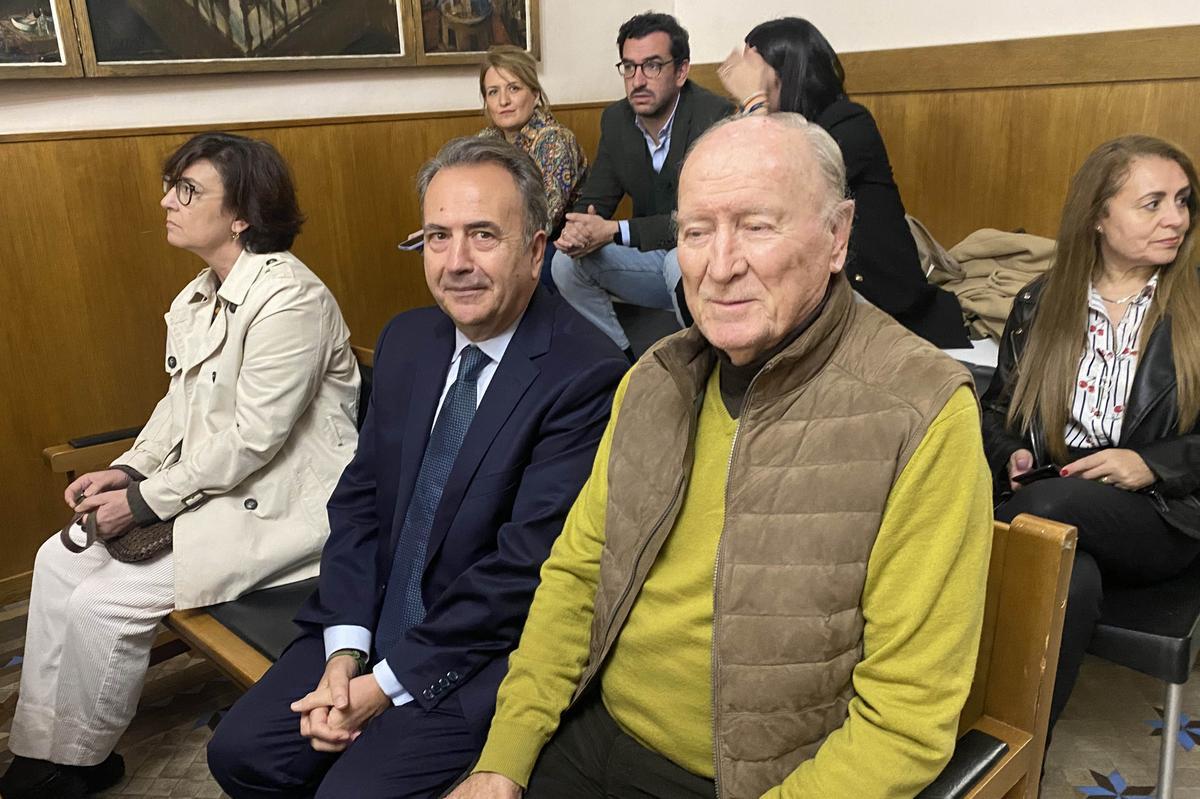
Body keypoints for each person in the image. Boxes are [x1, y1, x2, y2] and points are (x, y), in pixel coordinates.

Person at [449, 113, 992, 799]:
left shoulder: (920, 410)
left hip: (753, 782)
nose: (721, 265)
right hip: (589, 731)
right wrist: (504, 755)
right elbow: (577, 577)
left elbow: (905, 721)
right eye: (696, 232)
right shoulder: (654, 379)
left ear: (837, 236)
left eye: (757, 226)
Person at [206, 136, 628, 799]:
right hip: (369, 620)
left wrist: (383, 684)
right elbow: (359, 502)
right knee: (241, 753)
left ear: (535, 250)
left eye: (483, 235)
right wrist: (346, 651)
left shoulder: (587, 374)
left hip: (476, 652)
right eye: (437, 237)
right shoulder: (408, 339)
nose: (456, 263)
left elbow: (523, 571)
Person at [0, 132, 361, 799]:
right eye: (171, 186)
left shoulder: (292, 299)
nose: (167, 201)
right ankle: (43, 751)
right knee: (56, 559)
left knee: (104, 602)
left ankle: (76, 764)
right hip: (222, 486)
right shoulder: (201, 293)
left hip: (286, 506)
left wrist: (143, 502)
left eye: (188, 190)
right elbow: (178, 406)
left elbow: (253, 438)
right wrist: (129, 470)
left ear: (241, 214)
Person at [982, 134, 1200, 742]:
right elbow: (996, 412)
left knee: (1035, 517)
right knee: (1068, 577)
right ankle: (1014, 762)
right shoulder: (1041, 302)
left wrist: (1152, 463)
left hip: (1163, 511)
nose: (1176, 219)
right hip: (1056, 494)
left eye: (1183, 201)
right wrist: (1011, 453)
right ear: (1098, 216)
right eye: (1153, 203)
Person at [718, 16, 969, 349]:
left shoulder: (849, 123)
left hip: (877, 297)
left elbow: (778, 183)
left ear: (785, 74)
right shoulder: (772, 129)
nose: (747, 81)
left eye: (755, 71)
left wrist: (754, 102)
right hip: (815, 287)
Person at [551, 12, 732, 358]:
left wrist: (614, 230)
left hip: (703, 258)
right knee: (565, 263)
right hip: (650, 259)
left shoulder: (713, 116)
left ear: (681, 71)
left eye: (652, 66)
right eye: (629, 67)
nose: (638, 80)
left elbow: (701, 220)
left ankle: (705, 362)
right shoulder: (616, 119)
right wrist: (578, 229)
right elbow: (596, 199)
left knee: (678, 261)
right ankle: (619, 359)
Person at [477, 45, 588, 284]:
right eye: (493, 92)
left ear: (535, 94)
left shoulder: (554, 140)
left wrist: (485, 237)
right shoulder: (486, 141)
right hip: (504, 239)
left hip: (556, 248)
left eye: (514, 88)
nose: (503, 101)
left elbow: (545, 220)